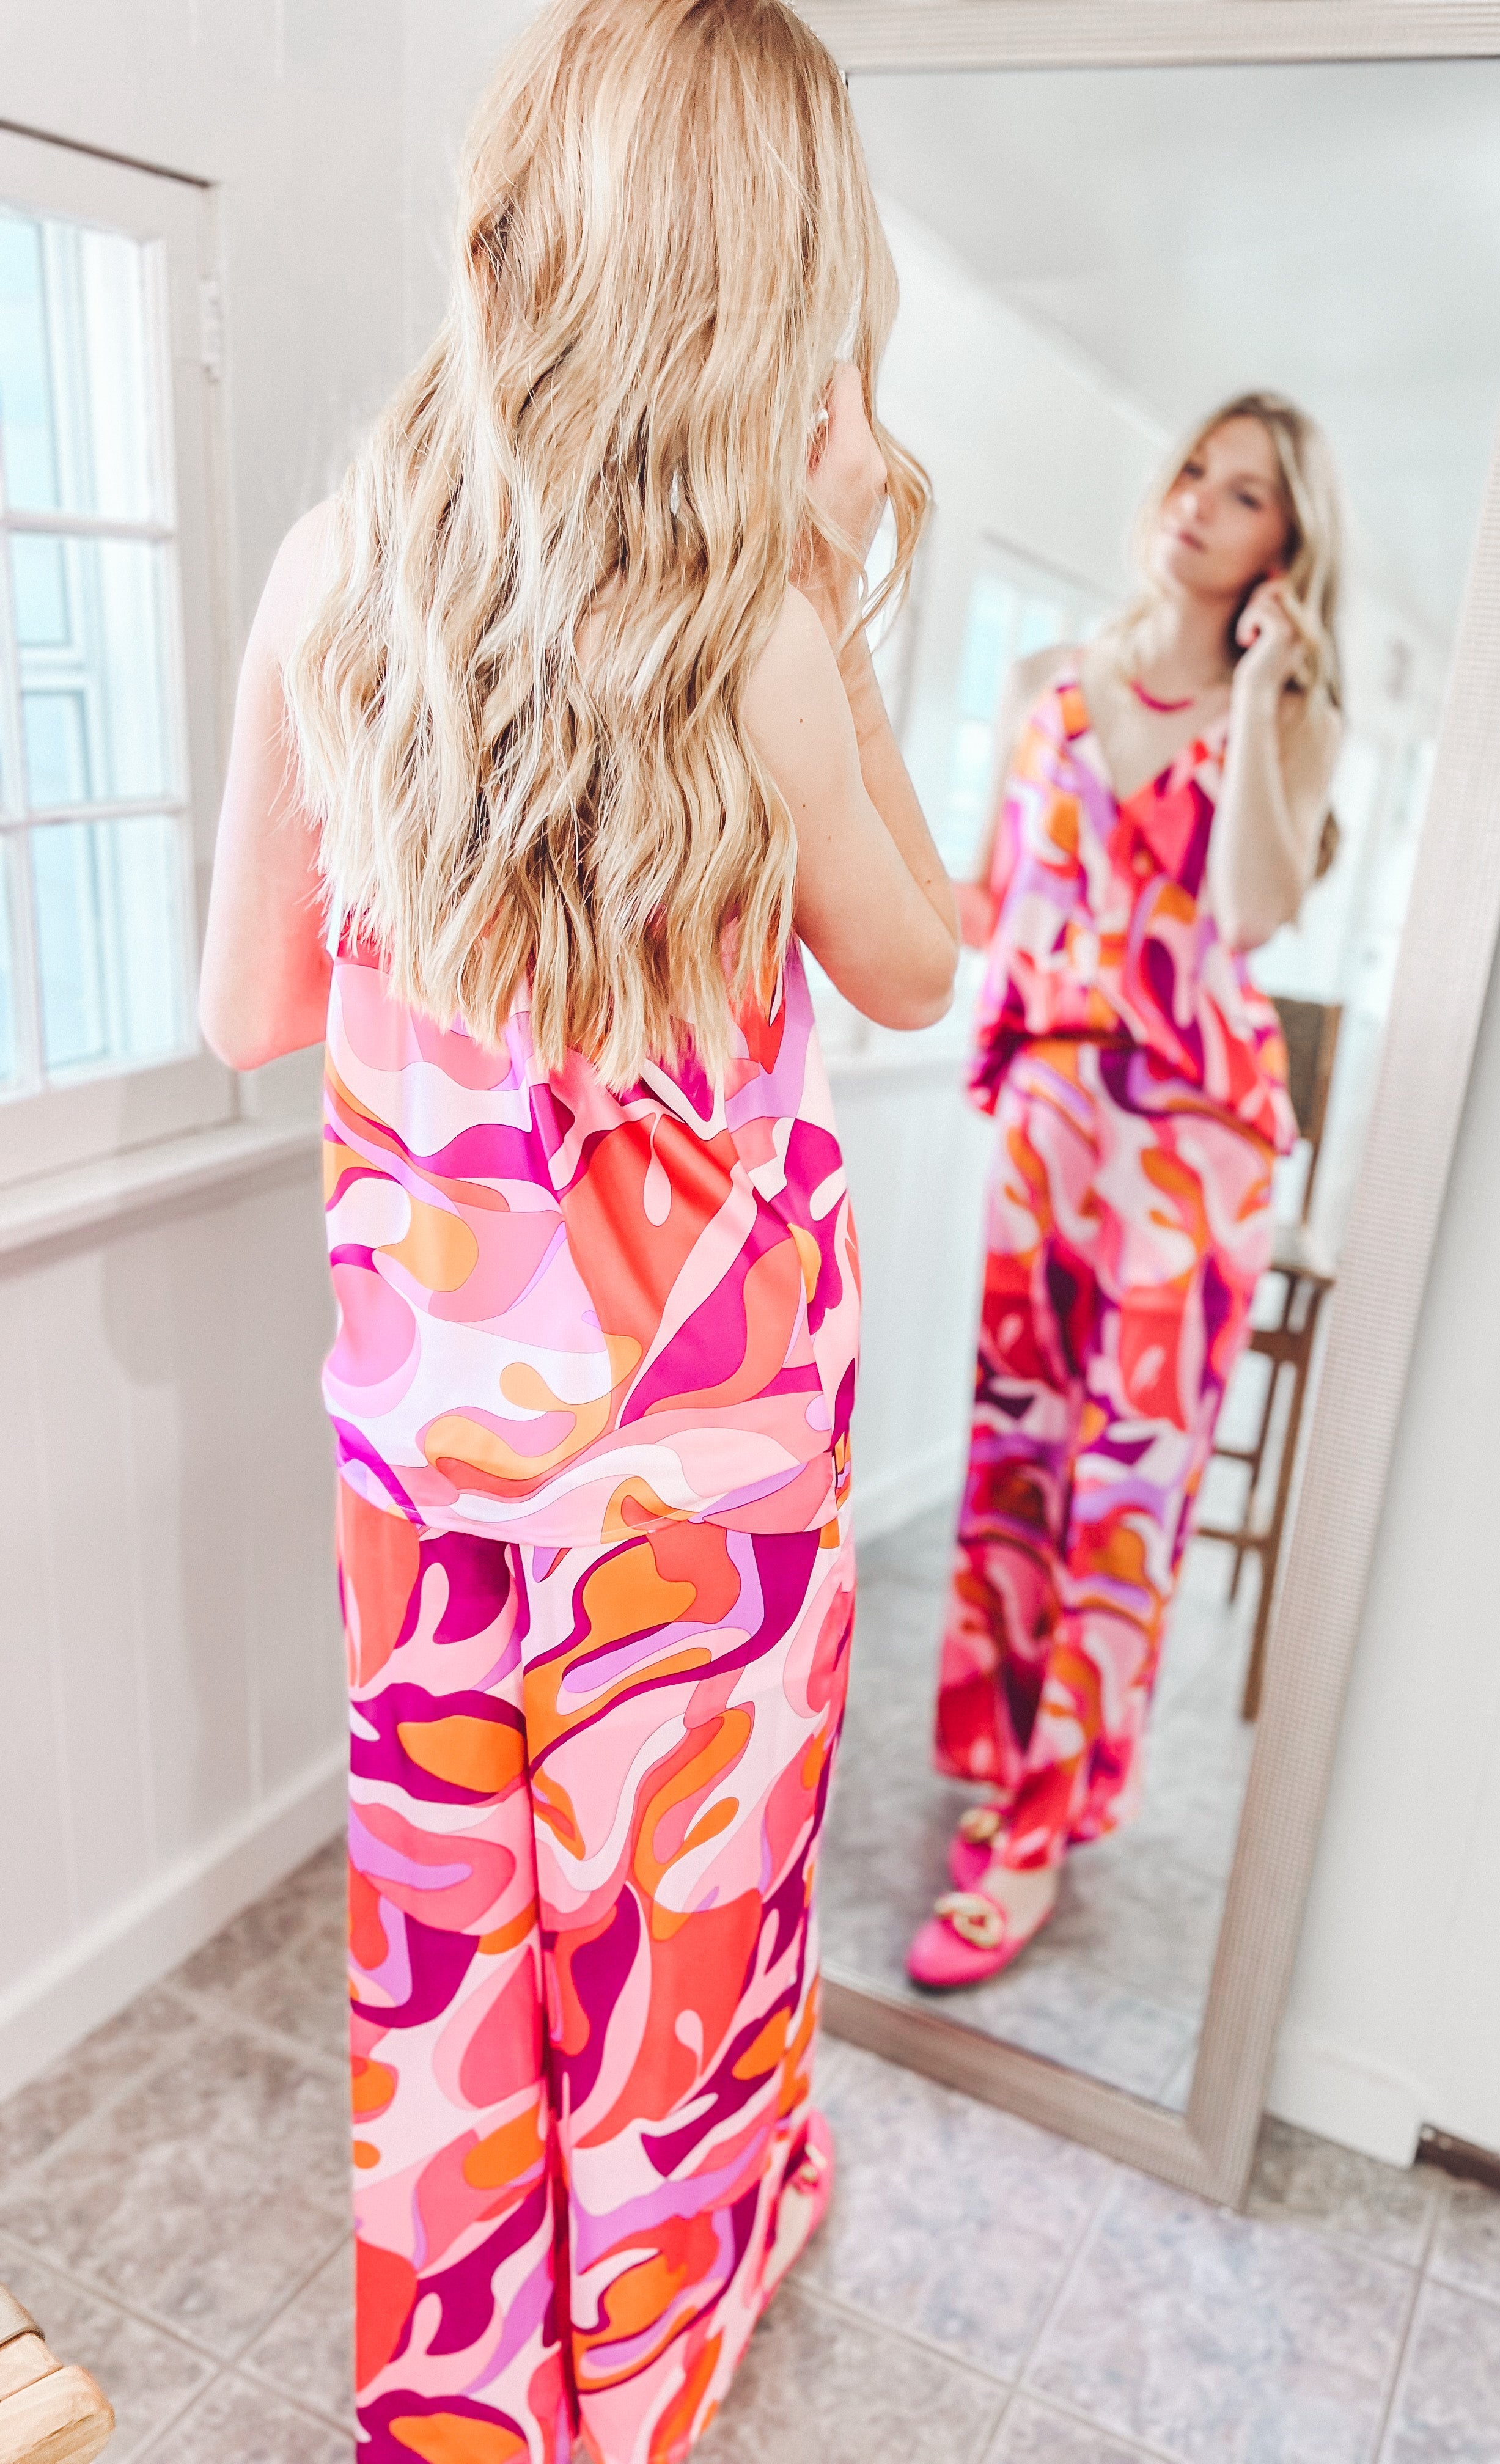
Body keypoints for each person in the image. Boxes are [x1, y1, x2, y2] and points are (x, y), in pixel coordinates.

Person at [199, 4, 957, 2455]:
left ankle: (466, 2411)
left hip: (427, 1450)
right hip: (700, 1484)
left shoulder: (338, 571)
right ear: (771, 274)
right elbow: (917, 967)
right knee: (671, 1973)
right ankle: (638, 2383)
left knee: (456, 1969)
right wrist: (830, 584)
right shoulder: (758, 635)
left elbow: (245, 1013)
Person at [908, 392, 1342, 1991]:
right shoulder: (1043, 679)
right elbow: (982, 898)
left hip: (1192, 1135)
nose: (1196, 504)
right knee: (1020, 1442)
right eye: (1193, 473)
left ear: (1284, 546)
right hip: (1049, 1108)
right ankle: (1005, 1758)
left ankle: (1042, 1818)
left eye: (1245, 496)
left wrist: (1266, 688)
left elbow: (1252, 914)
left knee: (1131, 1477)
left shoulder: (1286, 714)